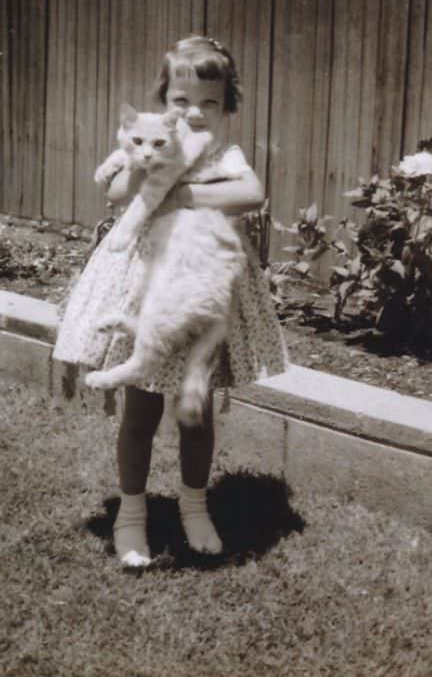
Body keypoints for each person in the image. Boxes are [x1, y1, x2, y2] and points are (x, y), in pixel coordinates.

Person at [53, 36, 287, 567]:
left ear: (227, 105)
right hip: (145, 289)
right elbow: (117, 195)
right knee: (140, 409)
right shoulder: (149, 141)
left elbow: (250, 194)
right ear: (164, 101)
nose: (195, 113)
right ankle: (131, 514)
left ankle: (194, 505)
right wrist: (146, 163)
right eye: (182, 101)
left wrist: (180, 195)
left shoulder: (226, 155)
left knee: (195, 408)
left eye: (209, 102)